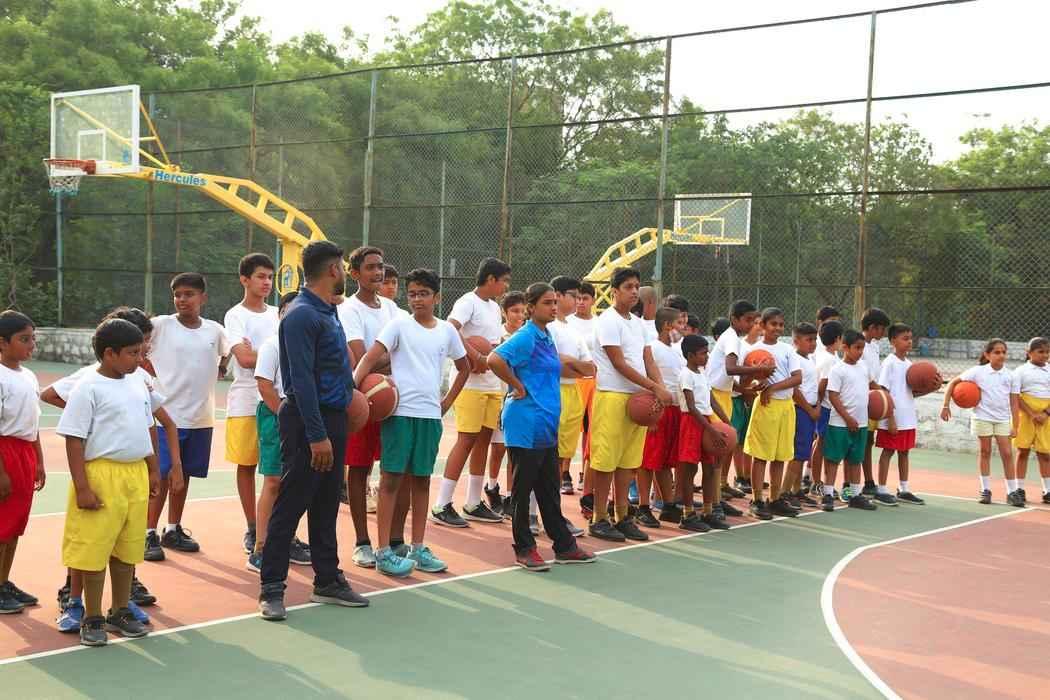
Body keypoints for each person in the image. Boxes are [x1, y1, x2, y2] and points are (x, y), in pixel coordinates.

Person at [44, 307, 175, 631]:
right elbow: (74, 439)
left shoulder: (137, 383)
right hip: (102, 475)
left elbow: (147, 427)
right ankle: (91, 617)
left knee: (127, 549)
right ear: (109, 354)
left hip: (134, 475)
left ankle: (119, 610)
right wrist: (83, 488)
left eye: (141, 352)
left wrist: (153, 469)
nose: (139, 359)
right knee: (93, 549)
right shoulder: (88, 387)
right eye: (133, 353)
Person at [259, 240, 368, 622]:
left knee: (325, 502)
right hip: (309, 419)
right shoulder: (301, 315)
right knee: (292, 502)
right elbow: (301, 381)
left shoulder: (327, 310)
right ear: (333, 269)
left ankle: (327, 580)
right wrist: (317, 434)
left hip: (332, 417)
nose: (344, 273)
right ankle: (272, 587)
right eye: (342, 267)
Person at [355, 268, 471, 577]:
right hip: (400, 414)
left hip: (429, 416)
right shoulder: (398, 325)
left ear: (437, 297)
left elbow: (465, 367)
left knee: (421, 481)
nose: (417, 299)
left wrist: (447, 402)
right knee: (391, 480)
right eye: (413, 294)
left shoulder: (446, 331)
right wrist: (352, 388)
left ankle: (417, 547)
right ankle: (383, 552)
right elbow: (370, 358)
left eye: (423, 294)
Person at [487, 283, 596, 571]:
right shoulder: (526, 336)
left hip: (545, 422)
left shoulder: (546, 336)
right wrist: (516, 385)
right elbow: (494, 359)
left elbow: (550, 368)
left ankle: (564, 546)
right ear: (531, 307)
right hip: (526, 421)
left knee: (549, 488)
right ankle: (524, 549)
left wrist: (580, 367)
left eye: (554, 302)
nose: (553, 307)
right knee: (523, 490)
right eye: (547, 303)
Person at [146, 273, 230, 558]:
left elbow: (227, 352)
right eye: (177, 294)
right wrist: (148, 370)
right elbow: (138, 346)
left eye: (189, 294)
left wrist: (221, 368)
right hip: (167, 417)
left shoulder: (215, 330)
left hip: (200, 417)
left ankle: (172, 529)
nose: (182, 299)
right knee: (162, 475)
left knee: (184, 476)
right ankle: (148, 533)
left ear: (203, 297)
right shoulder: (160, 325)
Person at [588, 267, 673, 542]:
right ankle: (599, 517)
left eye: (637, 286)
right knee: (606, 461)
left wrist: (660, 388)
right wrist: (654, 388)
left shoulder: (638, 324)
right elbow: (618, 363)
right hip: (612, 396)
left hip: (638, 400)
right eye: (628, 286)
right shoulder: (607, 321)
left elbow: (649, 359)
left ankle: (622, 516)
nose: (634, 291)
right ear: (614, 291)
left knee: (628, 462)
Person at [431, 257, 511, 527]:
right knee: (466, 440)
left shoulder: (494, 308)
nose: (506, 286)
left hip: (491, 383)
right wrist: (474, 354)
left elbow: (493, 343)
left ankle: (474, 502)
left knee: (483, 442)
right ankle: (442, 504)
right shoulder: (468, 302)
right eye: (504, 281)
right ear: (491, 279)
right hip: (470, 384)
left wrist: (495, 355)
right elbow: (450, 328)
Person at [337, 246, 402, 569]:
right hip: (363, 399)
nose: (378, 272)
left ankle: (391, 541)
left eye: (381, 267)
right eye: (371, 267)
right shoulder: (349, 310)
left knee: (393, 470)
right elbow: (360, 357)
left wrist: (381, 359)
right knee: (359, 469)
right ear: (354, 273)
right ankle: (362, 541)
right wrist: (388, 358)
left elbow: (402, 350)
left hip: (391, 401)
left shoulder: (392, 308)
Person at [247, 292, 312, 572]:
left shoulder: (309, 344)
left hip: (302, 414)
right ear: (281, 314)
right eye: (289, 310)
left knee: (294, 482)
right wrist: (285, 417)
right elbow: (264, 386)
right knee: (273, 480)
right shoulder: (272, 345)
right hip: (276, 413)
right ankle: (260, 548)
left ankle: (287, 539)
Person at [224, 254, 279, 556]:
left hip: (275, 398)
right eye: (260, 276)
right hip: (245, 399)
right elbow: (244, 359)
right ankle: (253, 527)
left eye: (270, 277)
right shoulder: (235, 315)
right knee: (247, 465)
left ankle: (278, 529)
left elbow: (279, 352)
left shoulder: (278, 313)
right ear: (244, 279)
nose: (266, 282)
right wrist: (272, 353)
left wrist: (259, 351)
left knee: (277, 471)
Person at [941, 338, 1022, 507]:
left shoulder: (1012, 375)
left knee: (1007, 453)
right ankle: (985, 490)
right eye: (997, 352)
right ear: (987, 354)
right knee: (985, 452)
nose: (1001, 355)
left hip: (1002, 419)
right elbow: (953, 383)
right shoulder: (977, 371)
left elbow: (1015, 403)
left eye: (1004, 352)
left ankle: (1012, 492)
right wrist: (945, 405)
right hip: (982, 417)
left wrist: (1015, 425)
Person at [0, 311, 43, 615]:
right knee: (2, 525)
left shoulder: (29, 376)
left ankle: (4, 581)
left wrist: (39, 460)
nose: (31, 345)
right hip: (5, 452)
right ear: (2, 343)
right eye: (24, 339)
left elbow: (33, 423)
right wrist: (1, 471)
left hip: (25, 451)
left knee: (15, 525)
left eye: (32, 339)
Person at [706, 303, 770, 504]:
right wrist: (757, 369)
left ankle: (720, 489)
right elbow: (730, 369)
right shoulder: (731, 338)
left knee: (725, 444)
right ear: (734, 319)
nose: (751, 324)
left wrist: (747, 390)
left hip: (723, 394)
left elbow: (725, 375)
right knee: (719, 445)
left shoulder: (734, 339)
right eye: (748, 319)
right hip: (715, 396)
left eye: (754, 320)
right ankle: (714, 499)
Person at [741, 308, 802, 520]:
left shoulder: (787, 350)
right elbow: (744, 382)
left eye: (781, 325)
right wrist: (756, 382)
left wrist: (772, 387)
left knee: (780, 456)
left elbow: (797, 378)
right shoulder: (753, 351)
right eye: (773, 324)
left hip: (786, 407)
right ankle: (757, 500)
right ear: (762, 325)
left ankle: (774, 499)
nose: (777, 328)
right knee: (760, 456)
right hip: (766, 407)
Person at [546, 277, 594, 509]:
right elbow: (554, 364)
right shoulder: (548, 327)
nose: (577, 301)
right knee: (547, 454)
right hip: (551, 391)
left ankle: (553, 509)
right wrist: (573, 365)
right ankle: (537, 509)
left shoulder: (573, 331)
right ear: (558, 295)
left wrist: (569, 362)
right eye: (574, 296)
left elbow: (590, 368)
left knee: (562, 454)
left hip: (573, 392)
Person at [677, 334, 732, 531]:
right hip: (691, 423)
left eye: (707, 352)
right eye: (702, 353)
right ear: (690, 356)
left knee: (709, 468)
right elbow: (692, 407)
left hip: (706, 421)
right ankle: (688, 515)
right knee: (690, 470)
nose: (707, 356)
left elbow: (712, 401)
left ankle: (708, 512)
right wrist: (712, 430)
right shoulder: (686, 375)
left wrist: (726, 423)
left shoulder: (702, 374)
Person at [636, 307, 686, 527]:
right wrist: (652, 416)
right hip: (659, 410)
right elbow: (649, 378)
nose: (682, 327)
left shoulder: (676, 350)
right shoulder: (654, 349)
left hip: (675, 410)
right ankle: (643, 506)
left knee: (665, 461)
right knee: (648, 460)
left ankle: (668, 504)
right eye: (679, 323)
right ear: (667, 326)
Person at [823, 329, 878, 512]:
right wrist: (847, 418)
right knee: (833, 460)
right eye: (857, 348)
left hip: (861, 423)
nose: (860, 352)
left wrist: (885, 395)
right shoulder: (837, 369)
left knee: (855, 460)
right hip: (840, 423)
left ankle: (855, 495)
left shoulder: (863, 367)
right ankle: (828, 494)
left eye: (862, 348)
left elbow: (872, 385)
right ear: (845, 347)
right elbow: (833, 396)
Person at [483, 291, 526, 518]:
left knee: (513, 451)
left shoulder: (526, 335)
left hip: (517, 398)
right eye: (514, 311)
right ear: (504, 312)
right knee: (498, 448)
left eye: (522, 311)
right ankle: (492, 487)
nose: (519, 315)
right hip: (498, 394)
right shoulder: (498, 335)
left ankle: (511, 496)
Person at [874, 323, 924, 506]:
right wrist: (890, 418)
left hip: (907, 417)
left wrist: (929, 387)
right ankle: (881, 490)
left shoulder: (910, 365)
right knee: (888, 451)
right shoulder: (889, 363)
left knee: (905, 452)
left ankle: (904, 489)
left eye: (910, 338)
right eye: (905, 338)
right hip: (893, 418)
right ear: (893, 340)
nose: (909, 342)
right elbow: (883, 391)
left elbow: (910, 392)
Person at [843, 307, 890, 501]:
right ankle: (849, 486)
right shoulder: (859, 346)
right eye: (882, 329)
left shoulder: (874, 346)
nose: (884, 333)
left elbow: (872, 376)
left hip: (871, 399)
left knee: (867, 442)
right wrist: (879, 391)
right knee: (855, 446)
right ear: (872, 328)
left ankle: (867, 483)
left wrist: (882, 392)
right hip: (860, 402)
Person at [1010, 337, 1050, 505]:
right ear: (1029, 353)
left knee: (1045, 454)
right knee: (1023, 451)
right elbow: (1015, 396)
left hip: (1046, 416)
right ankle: (1019, 489)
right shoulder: (1020, 371)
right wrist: (1032, 413)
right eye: (1040, 352)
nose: (1045, 355)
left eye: (1047, 352)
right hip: (1026, 416)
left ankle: (1047, 490)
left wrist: (1046, 413)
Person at [567, 282, 598, 498]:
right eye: (578, 298)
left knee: (590, 428)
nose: (580, 302)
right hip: (573, 380)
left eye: (585, 298)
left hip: (593, 381)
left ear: (593, 301)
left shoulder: (599, 323)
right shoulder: (567, 322)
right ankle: (564, 473)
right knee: (570, 428)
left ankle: (584, 473)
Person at [784, 322, 820, 508]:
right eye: (809, 340)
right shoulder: (796, 360)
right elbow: (795, 391)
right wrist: (810, 409)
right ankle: (784, 492)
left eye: (815, 339)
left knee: (803, 453)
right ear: (796, 341)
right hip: (801, 411)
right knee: (797, 454)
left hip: (809, 411)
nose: (813, 343)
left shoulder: (809, 359)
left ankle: (796, 490)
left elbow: (813, 386)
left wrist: (817, 406)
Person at [810, 320, 844, 497]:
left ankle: (821, 482)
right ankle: (816, 482)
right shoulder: (829, 360)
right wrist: (817, 406)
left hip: (828, 408)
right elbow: (823, 385)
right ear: (838, 338)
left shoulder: (831, 357)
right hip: (825, 408)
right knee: (821, 444)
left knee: (825, 445)